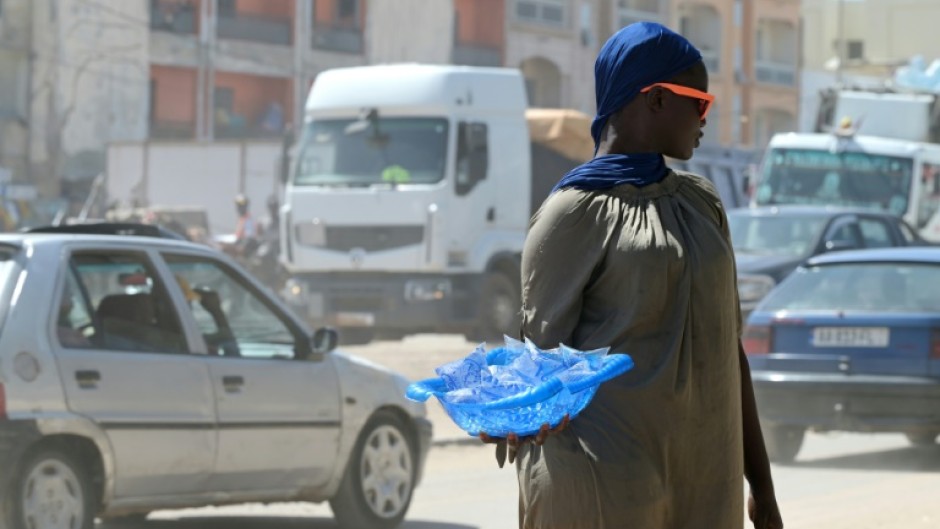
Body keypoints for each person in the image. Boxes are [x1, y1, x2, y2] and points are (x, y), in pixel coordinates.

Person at [481, 23, 783, 529]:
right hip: (605, 490)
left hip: (705, 487)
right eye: (700, 102)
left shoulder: (701, 204)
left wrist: (763, 488)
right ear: (657, 99)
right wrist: (507, 412)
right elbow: (540, 360)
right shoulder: (573, 213)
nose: (706, 117)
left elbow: (730, 356)